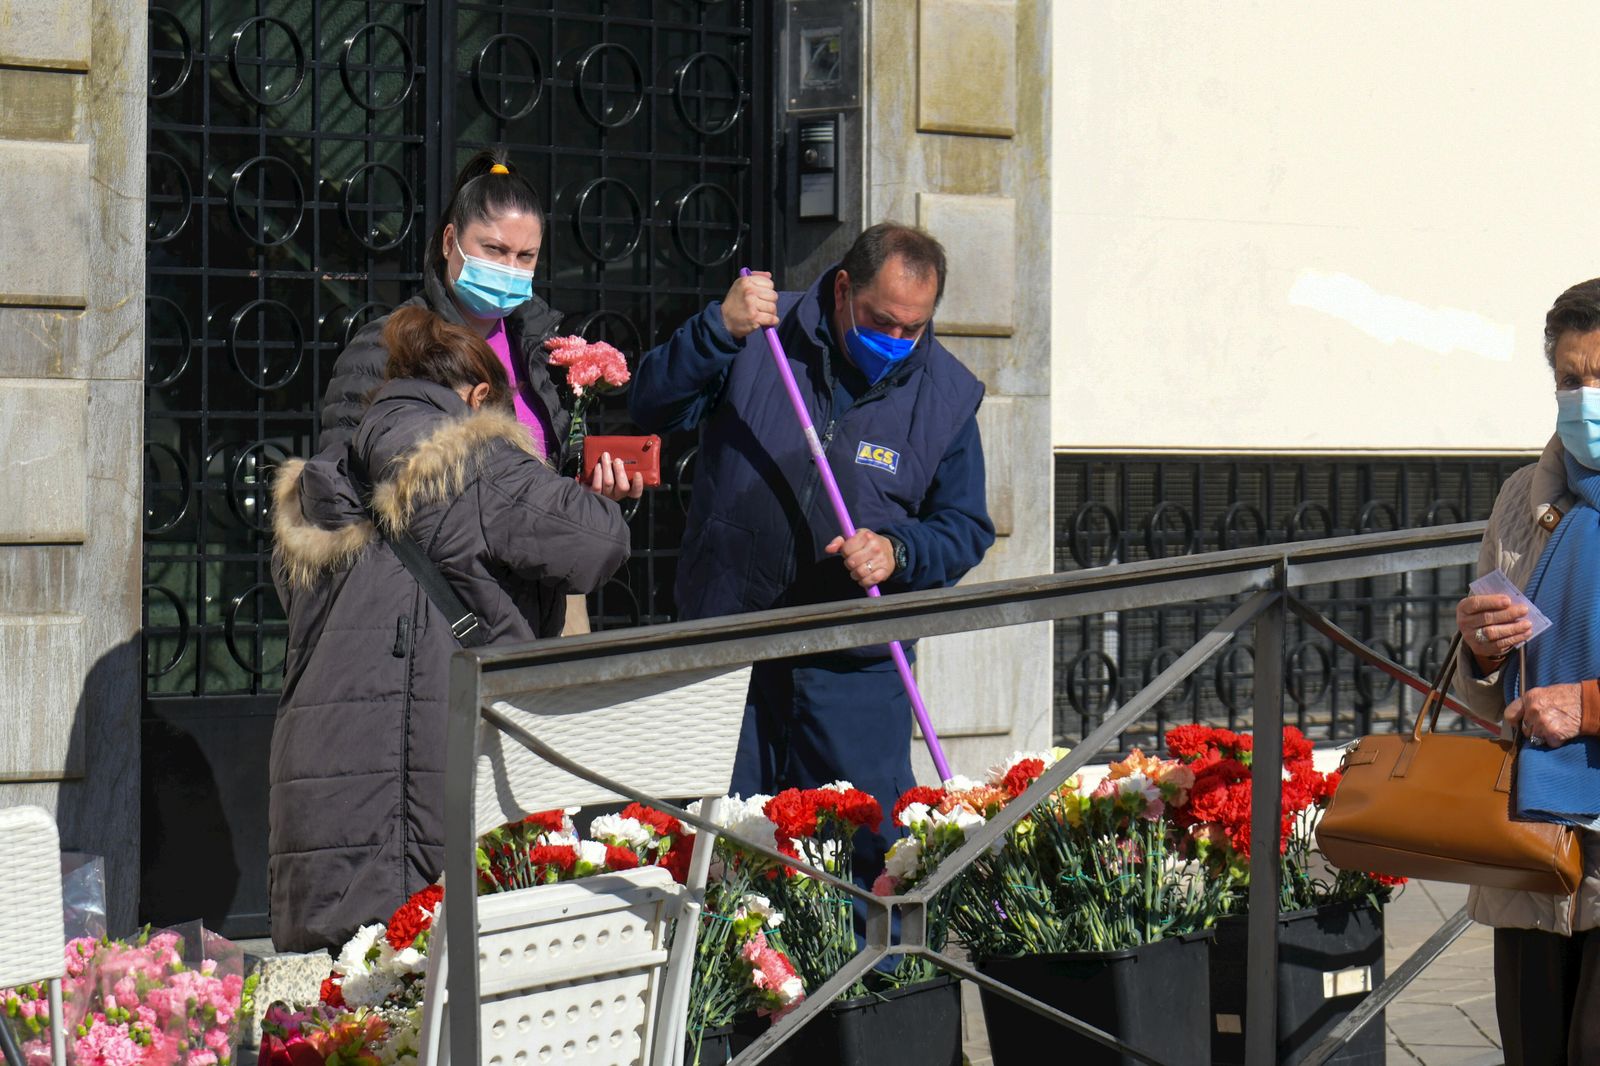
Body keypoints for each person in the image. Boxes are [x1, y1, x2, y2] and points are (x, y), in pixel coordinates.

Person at [628, 222, 995, 884]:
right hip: (730, 651)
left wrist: (899, 549)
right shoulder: (763, 332)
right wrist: (716, 329)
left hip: (853, 670)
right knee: (722, 861)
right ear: (844, 288)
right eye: (884, 320)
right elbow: (649, 401)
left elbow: (966, 526)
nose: (899, 341)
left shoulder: (945, 395)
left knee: (862, 870)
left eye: (915, 327)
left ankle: (866, 991)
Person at [268, 306, 634, 952]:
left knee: (340, 1030)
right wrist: (606, 493)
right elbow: (597, 542)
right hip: (420, 791)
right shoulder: (476, 463)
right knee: (437, 1009)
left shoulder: (327, 479)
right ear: (480, 396)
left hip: (320, 792)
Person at [319, 147, 639, 634]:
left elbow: (542, 481)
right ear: (450, 241)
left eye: (525, 256)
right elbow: (339, 489)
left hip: (547, 604)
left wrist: (592, 494)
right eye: (494, 250)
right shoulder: (390, 345)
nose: (510, 267)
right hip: (438, 612)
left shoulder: (540, 351)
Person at [1453, 277, 1600, 1064]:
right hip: (1532, 840)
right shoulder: (1524, 497)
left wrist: (1588, 705)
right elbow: (1480, 688)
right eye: (1570, 382)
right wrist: (1478, 645)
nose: (1586, 400)